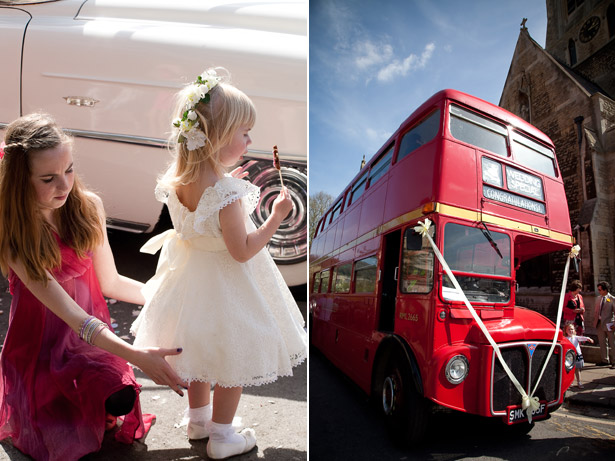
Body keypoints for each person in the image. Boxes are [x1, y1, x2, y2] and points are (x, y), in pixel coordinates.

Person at [130, 68, 307, 460]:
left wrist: (226, 181)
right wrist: (276, 217)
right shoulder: (226, 192)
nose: (249, 140)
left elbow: (198, 218)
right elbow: (242, 250)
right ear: (216, 138)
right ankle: (223, 436)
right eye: (243, 132)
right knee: (232, 356)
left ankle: (198, 419)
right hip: (227, 286)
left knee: (199, 350)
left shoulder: (178, 180)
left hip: (191, 280)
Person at [0, 114, 188, 461]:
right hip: (41, 349)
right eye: (48, 178)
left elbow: (111, 282)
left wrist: (172, 298)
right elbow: (73, 317)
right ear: (18, 180)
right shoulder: (14, 235)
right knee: (56, 436)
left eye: (69, 169)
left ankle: (91, 405)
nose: (64, 185)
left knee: (120, 395)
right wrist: (135, 356)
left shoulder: (88, 207)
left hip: (90, 341)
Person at [563, 322, 594, 388]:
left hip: (577, 355)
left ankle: (579, 382)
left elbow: (582, 338)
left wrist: (588, 339)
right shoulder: (565, 338)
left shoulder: (575, 337)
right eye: (569, 329)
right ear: (565, 330)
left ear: (574, 330)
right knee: (569, 370)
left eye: (572, 329)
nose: (570, 331)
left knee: (577, 370)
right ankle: (570, 382)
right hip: (569, 356)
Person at [593, 281, 615, 368]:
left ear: (605, 290)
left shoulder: (612, 299)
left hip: (609, 324)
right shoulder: (598, 298)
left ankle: (614, 361)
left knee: (612, 343)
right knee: (602, 343)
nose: (599, 291)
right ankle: (605, 360)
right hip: (599, 324)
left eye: (600, 289)